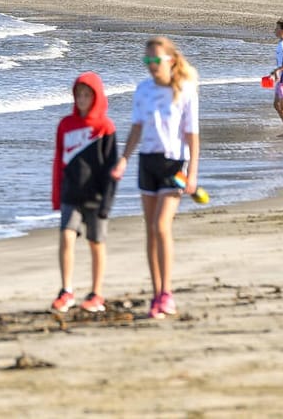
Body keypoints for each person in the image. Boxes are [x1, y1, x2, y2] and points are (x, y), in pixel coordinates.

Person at [111, 36, 200, 320]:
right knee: (150, 230)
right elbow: (136, 128)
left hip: (174, 164)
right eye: (146, 60)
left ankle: (168, 293)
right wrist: (123, 159)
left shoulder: (184, 91)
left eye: (155, 60)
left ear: (170, 60)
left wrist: (192, 173)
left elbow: (192, 136)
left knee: (162, 226)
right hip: (147, 162)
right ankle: (156, 293)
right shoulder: (142, 90)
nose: (151, 65)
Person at [50, 72, 119, 314]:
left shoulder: (105, 127)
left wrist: (107, 203)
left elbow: (112, 168)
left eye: (87, 95)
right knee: (66, 237)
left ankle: (96, 293)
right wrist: (57, 196)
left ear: (96, 97)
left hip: (97, 197)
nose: (81, 99)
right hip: (71, 195)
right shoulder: (65, 125)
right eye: (78, 94)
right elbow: (59, 161)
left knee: (95, 242)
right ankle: (66, 290)